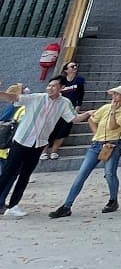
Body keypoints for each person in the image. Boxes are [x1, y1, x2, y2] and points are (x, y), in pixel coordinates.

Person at [48, 84, 121, 217]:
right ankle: (67, 205)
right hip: (97, 144)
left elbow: (112, 125)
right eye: (114, 94)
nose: (114, 97)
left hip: (112, 145)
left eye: (118, 94)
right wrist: (96, 134)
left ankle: (113, 199)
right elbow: (92, 120)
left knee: (109, 173)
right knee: (82, 174)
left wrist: (113, 112)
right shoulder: (105, 107)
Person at [0, 76, 76, 216]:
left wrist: (90, 114)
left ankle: (13, 206)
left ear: (62, 88)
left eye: (54, 86)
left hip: (39, 144)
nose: (50, 88)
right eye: (49, 85)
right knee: (8, 172)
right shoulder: (36, 97)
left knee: (25, 175)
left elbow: (73, 118)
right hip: (22, 140)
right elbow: (14, 98)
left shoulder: (64, 103)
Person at [46, 60, 86, 158]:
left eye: (76, 66)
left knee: (63, 130)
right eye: (72, 66)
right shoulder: (61, 82)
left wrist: (77, 107)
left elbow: (81, 94)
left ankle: (54, 151)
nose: (75, 68)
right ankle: (43, 152)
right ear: (66, 70)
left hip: (70, 109)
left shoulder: (79, 80)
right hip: (56, 108)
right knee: (50, 130)